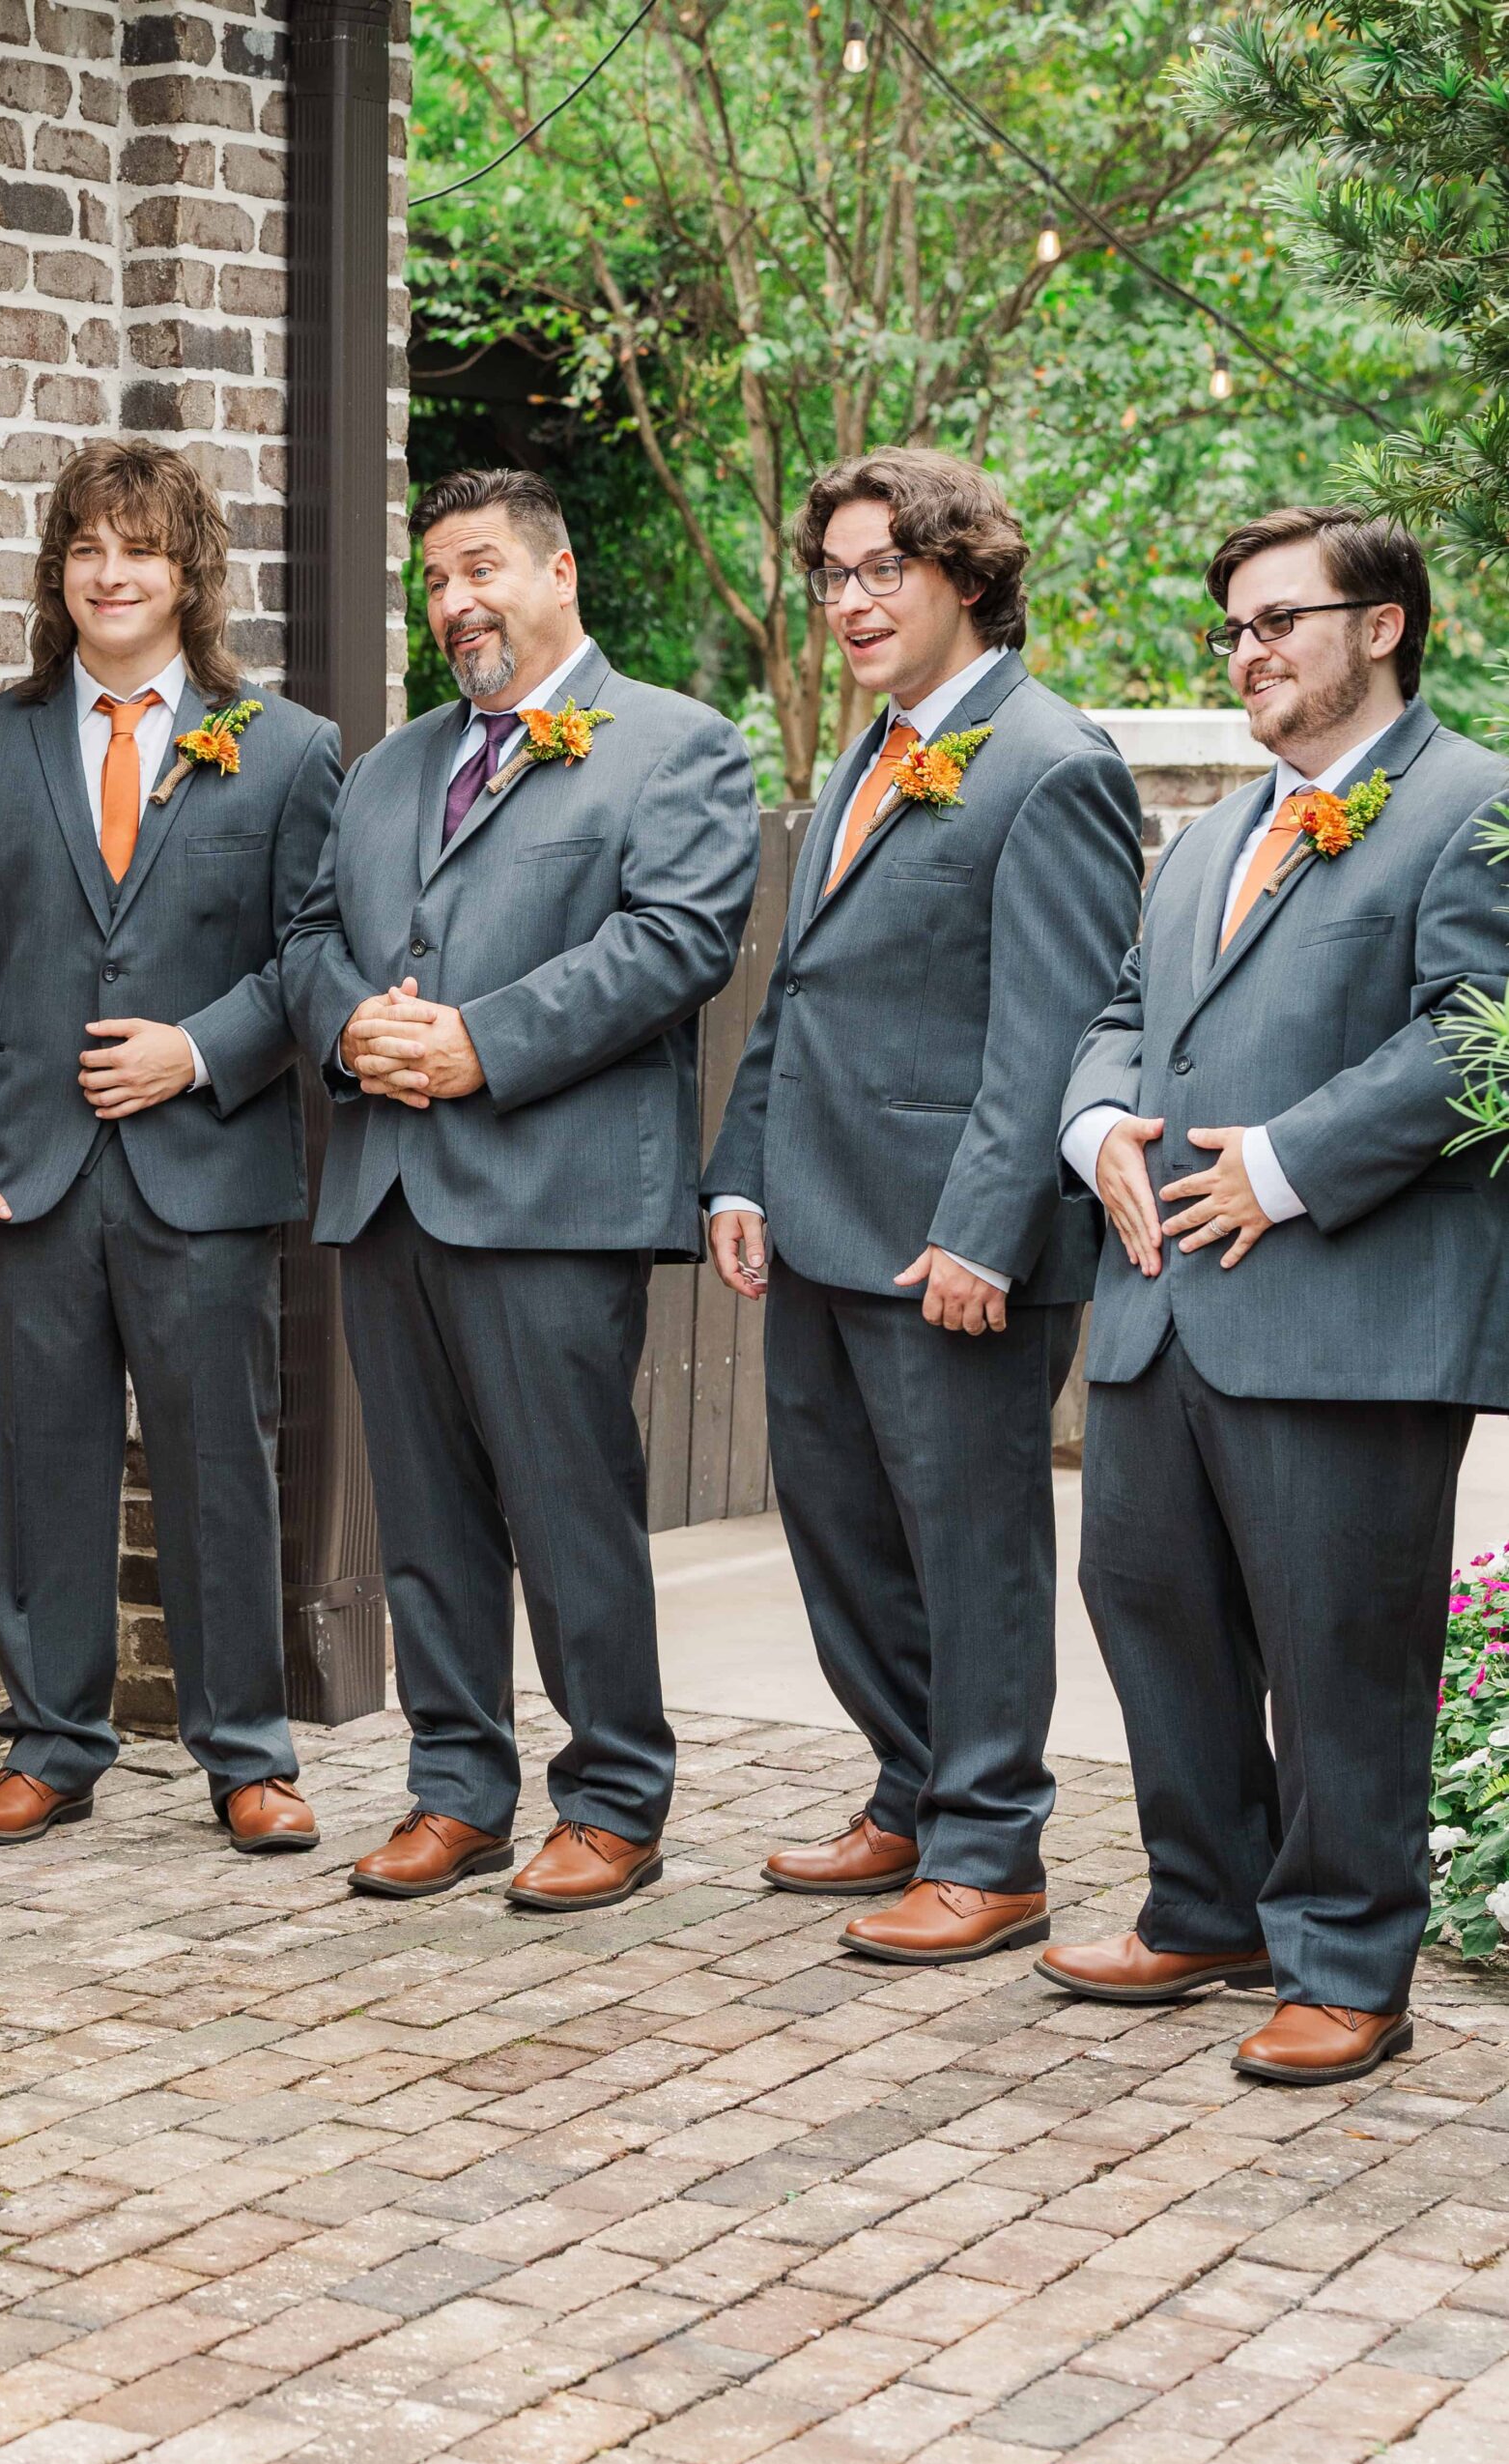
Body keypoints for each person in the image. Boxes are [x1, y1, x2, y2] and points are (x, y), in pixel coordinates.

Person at [1040, 505, 1509, 2084]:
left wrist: (1288, 1163)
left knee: (1339, 1651)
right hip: (1162, 1302)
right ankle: (1208, 1907)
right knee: (1147, 1602)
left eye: (1279, 619)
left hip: (1348, 1312)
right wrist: (1097, 1130)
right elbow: (1123, 1012)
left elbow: (1477, 1027)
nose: (1247, 651)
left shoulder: (1476, 803)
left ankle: (1348, 1964)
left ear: (1382, 625)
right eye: (1232, 627)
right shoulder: (1213, 836)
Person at [279, 466, 759, 1910]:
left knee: (568, 1510)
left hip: (553, 1195)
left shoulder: (675, 744)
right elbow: (310, 935)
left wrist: (479, 1043)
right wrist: (351, 1029)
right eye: (435, 579)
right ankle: (455, 1790)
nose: (455, 601)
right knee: (423, 1519)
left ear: (559, 575)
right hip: (389, 1190)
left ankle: (612, 1800)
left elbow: (676, 939)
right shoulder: (388, 767)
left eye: (480, 568)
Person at [703, 446, 1143, 1963]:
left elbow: (1054, 1031)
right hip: (821, 1219)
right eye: (833, 574)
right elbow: (803, 987)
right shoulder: (874, 752)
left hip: (952, 1246)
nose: (851, 600)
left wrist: (983, 1233)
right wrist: (743, 1166)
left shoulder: (1052, 762)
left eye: (884, 568)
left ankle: (990, 1849)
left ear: (965, 573)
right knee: (844, 1538)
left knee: (972, 1553)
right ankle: (908, 1788)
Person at [0, 439, 341, 1852]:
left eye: (139, 548)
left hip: (203, 1165)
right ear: (59, 573)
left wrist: (193, 1050)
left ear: (188, 572)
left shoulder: (286, 750)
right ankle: (50, 1745)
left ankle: (247, 1758)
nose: (111, 573)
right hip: (22, 1172)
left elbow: (311, 954)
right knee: (38, 1465)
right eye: (87, 548)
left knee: (220, 1466)